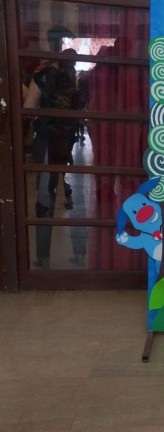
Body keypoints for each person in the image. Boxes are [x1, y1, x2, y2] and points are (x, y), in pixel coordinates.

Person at [23, 46, 81, 269]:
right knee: (76, 197)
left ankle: (43, 257)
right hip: (68, 141)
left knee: (45, 197)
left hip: (47, 141)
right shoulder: (75, 78)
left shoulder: (43, 76)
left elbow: (28, 107)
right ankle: (80, 252)